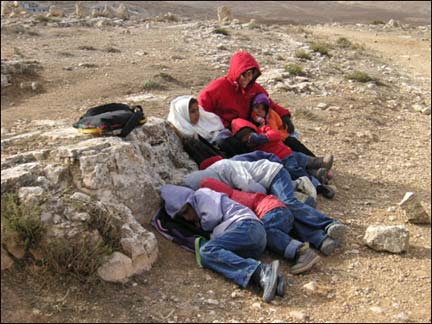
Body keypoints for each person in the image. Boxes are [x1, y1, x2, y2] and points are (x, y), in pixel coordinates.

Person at [183, 158, 347, 255]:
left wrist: (253, 196)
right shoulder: (222, 185)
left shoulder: (224, 167)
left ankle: (328, 223)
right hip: (265, 195)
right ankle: (320, 239)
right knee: (286, 213)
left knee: (287, 204)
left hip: (273, 175)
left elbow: (251, 187)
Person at [160, 184, 284, 303]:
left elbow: (212, 218)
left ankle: (261, 271)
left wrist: (201, 228)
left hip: (246, 227)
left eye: (186, 211)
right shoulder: (198, 205)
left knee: (206, 251)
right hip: (251, 237)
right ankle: (272, 280)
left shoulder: (201, 195)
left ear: (189, 202)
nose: (187, 218)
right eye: (183, 216)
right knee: (223, 255)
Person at [199, 177, 321, 274]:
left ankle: (301, 252)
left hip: (272, 210)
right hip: (277, 208)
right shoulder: (234, 194)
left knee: (264, 231)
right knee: (268, 232)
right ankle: (318, 239)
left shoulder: (231, 203)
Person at [231, 118, 336, 198]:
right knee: (298, 172)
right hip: (282, 160)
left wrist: (263, 138)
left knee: (305, 160)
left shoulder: (263, 130)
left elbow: (275, 134)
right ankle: (318, 185)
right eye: (243, 138)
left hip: (288, 152)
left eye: (247, 133)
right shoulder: (252, 149)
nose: (247, 138)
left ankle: (321, 163)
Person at [198, 51, 295, 134]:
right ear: (237, 72)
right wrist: (222, 124)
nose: (248, 79)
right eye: (244, 75)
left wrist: (284, 116)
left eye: (251, 75)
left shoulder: (254, 88)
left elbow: (269, 103)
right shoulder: (219, 87)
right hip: (225, 130)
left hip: (251, 128)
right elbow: (202, 108)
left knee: (291, 137)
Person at [167, 95, 249, 164]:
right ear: (183, 114)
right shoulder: (185, 130)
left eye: (197, 110)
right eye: (192, 112)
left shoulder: (205, 120)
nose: (197, 114)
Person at [250, 93, 316, 157]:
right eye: (257, 107)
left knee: (294, 143)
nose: (260, 110)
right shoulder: (253, 119)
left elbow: (280, 124)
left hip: (280, 136)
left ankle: (314, 159)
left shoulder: (272, 114)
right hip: (268, 142)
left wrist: (286, 127)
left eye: (263, 108)